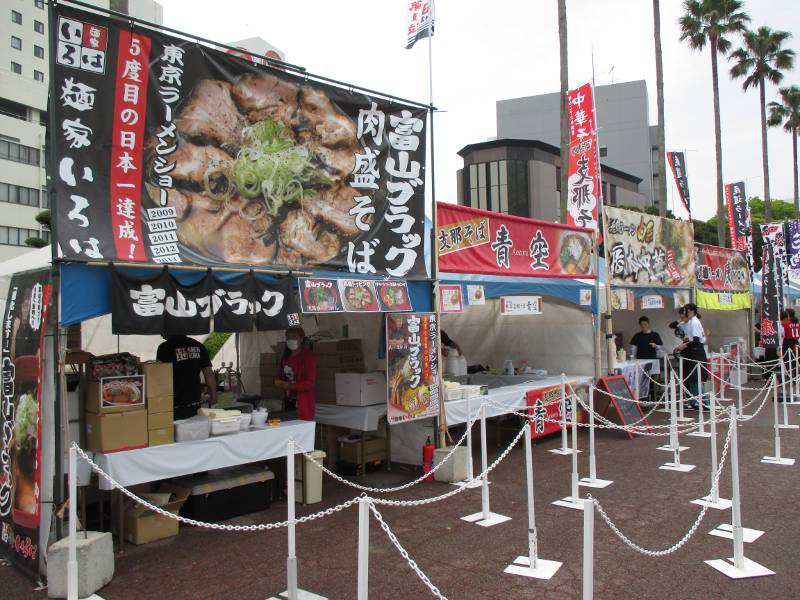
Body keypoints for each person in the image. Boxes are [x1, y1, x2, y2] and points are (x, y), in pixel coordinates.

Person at [157, 335, 217, 420]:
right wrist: (214, 395)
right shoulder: (198, 346)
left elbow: (159, 375)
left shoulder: (164, 347)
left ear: (170, 329)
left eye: (163, 330)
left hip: (174, 404)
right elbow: (208, 373)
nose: (161, 334)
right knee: (193, 428)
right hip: (195, 402)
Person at [274, 326, 317, 421]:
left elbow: (310, 383)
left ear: (301, 339)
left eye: (294, 337)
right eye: (288, 337)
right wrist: (278, 382)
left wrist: (289, 386)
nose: (290, 340)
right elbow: (279, 376)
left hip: (304, 403)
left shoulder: (308, 356)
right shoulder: (286, 356)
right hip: (288, 401)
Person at [676, 303, 707, 409]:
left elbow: (696, 341)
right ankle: (694, 402)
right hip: (693, 351)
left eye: (686, 310)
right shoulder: (690, 322)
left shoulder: (694, 322)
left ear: (690, 310)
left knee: (696, 378)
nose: (684, 313)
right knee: (692, 378)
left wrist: (684, 345)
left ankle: (705, 403)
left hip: (696, 352)